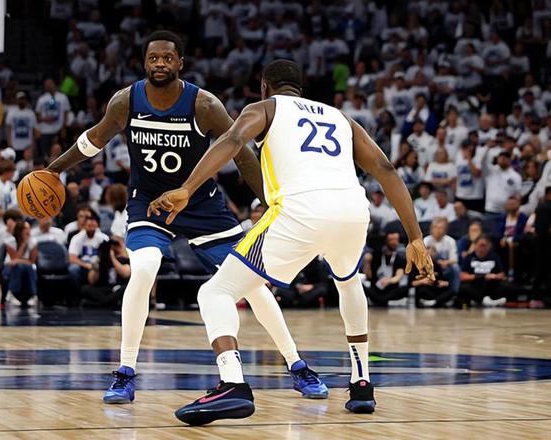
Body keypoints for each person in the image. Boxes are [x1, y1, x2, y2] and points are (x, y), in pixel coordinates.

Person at [45, 33, 326, 406]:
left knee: (253, 285)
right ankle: (125, 372)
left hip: (201, 205)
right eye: (153, 58)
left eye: (167, 58)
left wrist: (271, 202)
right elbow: (93, 139)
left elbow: (242, 155)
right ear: (145, 63)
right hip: (149, 204)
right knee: (144, 271)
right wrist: (53, 169)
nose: (160, 64)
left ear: (180, 63)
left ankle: (297, 366)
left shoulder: (204, 105)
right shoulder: (125, 101)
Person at [149, 59, 434, 424]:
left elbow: (232, 141)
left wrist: (188, 187)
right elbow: (386, 169)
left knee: (215, 293)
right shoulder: (341, 118)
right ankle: (361, 383)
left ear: (264, 87)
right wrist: (415, 237)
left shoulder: (265, 108)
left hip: (300, 211)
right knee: (349, 284)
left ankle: (232, 383)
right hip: (352, 211)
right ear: (301, 88)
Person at [3, 219, 38, 307]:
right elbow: (14, 259)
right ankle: (12, 295)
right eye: (26, 228)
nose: (29, 230)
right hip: (10, 267)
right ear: (19, 231)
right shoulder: (9, 242)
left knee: (28, 267)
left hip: (27, 266)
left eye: (29, 228)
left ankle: (33, 295)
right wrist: (23, 244)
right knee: (18, 267)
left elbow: (32, 261)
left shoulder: (33, 241)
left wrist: (19, 260)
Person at [68, 213, 109, 284]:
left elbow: (108, 256)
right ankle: (77, 289)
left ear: (97, 225)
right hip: (83, 265)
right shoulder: (76, 238)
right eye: (89, 225)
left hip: (99, 265)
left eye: (93, 225)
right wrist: (87, 265)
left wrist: (96, 265)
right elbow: (72, 258)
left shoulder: (104, 238)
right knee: (73, 269)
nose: (91, 227)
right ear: (84, 225)